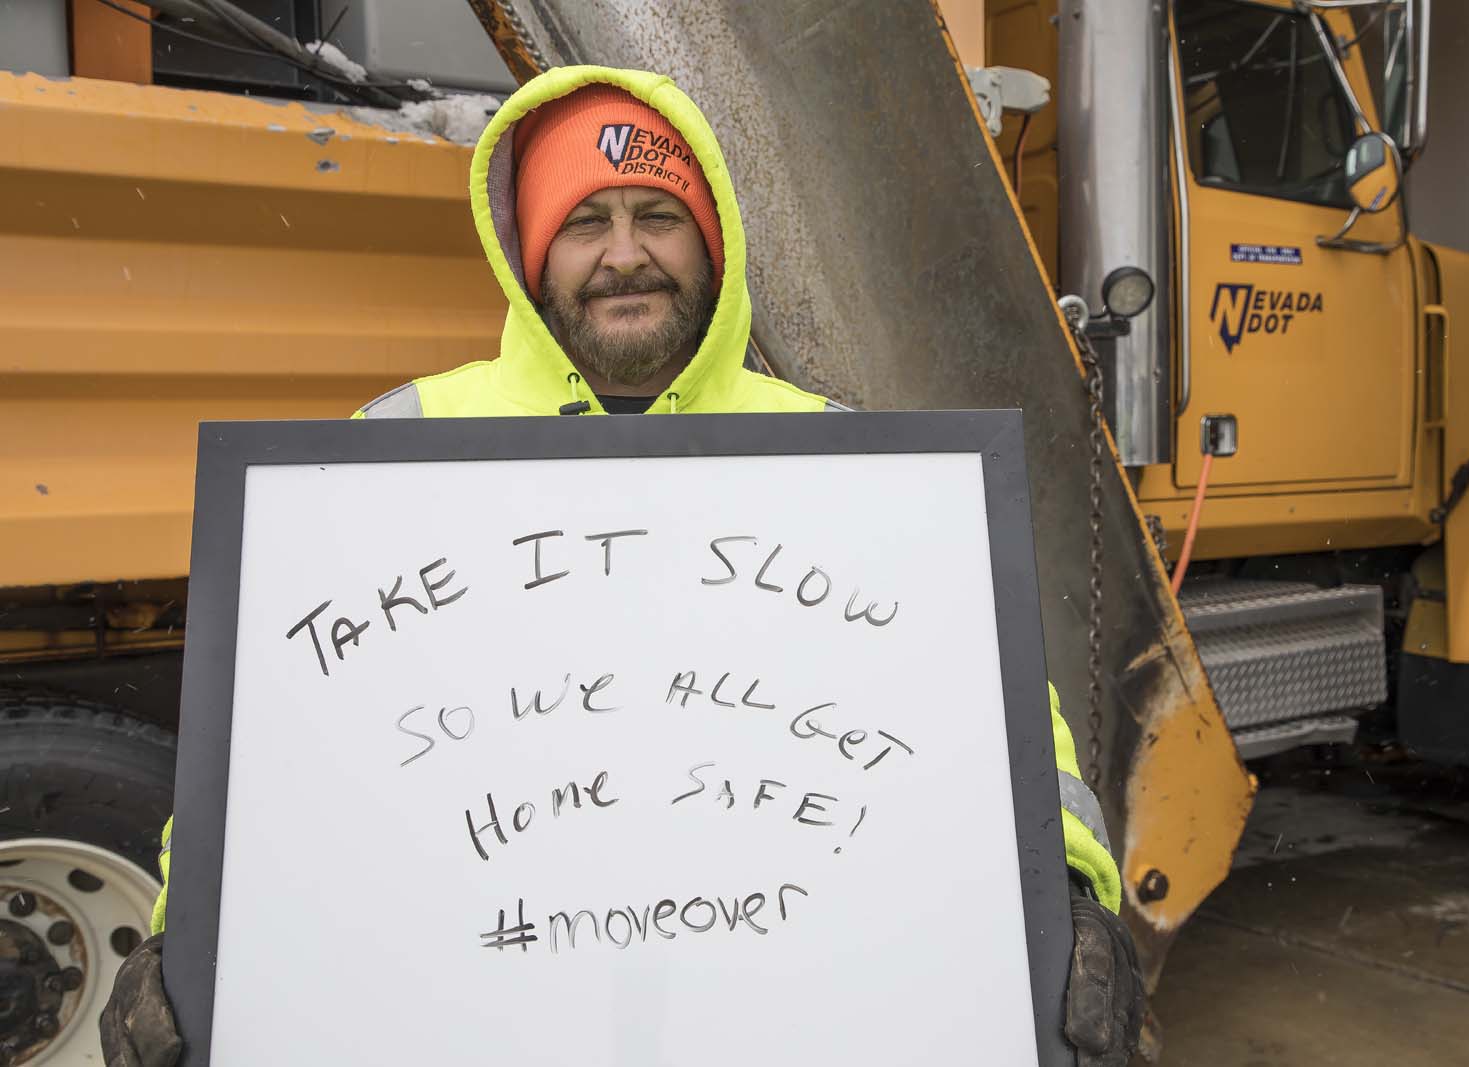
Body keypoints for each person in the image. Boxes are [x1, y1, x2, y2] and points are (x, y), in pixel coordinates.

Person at [101, 66, 1143, 1067]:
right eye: (585, 221)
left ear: (714, 239)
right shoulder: (395, 442)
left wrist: (1073, 890)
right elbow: (278, 738)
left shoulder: (837, 454)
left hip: (775, 1011)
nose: (625, 253)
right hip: (478, 1016)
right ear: (530, 248)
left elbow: (986, 716)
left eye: (660, 215)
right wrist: (182, 930)